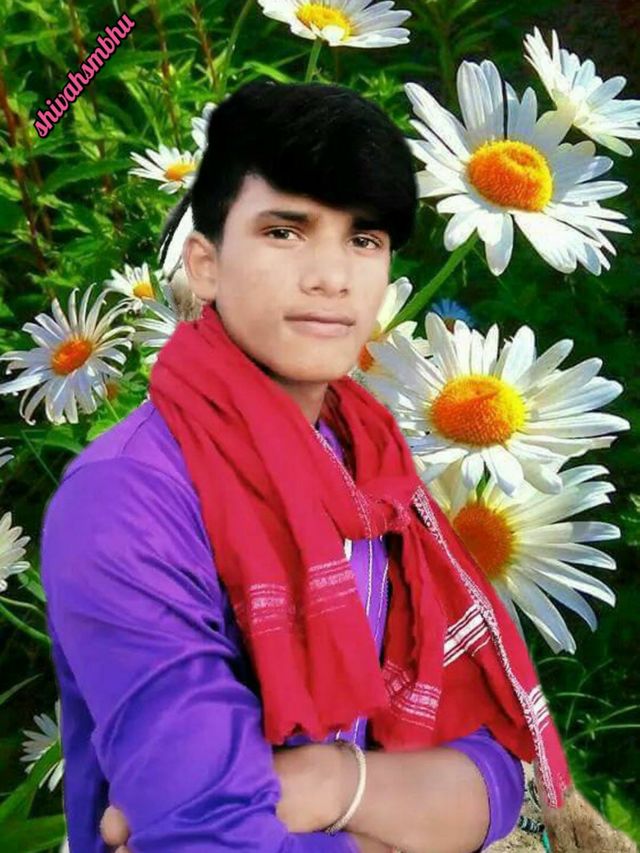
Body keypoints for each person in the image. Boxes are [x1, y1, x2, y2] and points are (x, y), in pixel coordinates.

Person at [41, 80, 572, 853]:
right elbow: (209, 839)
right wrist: (399, 823)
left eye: (363, 239)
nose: (332, 276)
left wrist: (331, 779)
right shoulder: (128, 501)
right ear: (205, 265)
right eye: (285, 231)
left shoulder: (374, 470)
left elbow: (496, 770)